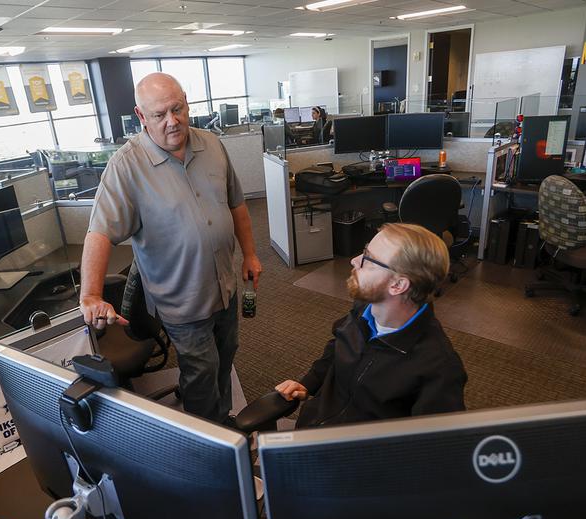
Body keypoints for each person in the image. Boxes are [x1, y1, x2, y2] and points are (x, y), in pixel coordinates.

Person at [80, 72, 262, 425]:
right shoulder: (126, 167)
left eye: (177, 109)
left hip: (225, 285)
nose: (172, 121)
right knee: (201, 369)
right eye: (160, 114)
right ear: (141, 116)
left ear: (186, 102)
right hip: (181, 298)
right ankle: (207, 438)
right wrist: (90, 293)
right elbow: (99, 232)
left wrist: (251, 254)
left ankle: (221, 417)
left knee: (226, 354)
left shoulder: (211, 144)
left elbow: (237, 205)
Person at [275, 223, 467, 428]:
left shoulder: (439, 368)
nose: (355, 261)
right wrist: (309, 382)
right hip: (316, 428)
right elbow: (338, 347)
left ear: (398, 285)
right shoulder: (365, 310)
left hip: (361, 455)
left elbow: (431, 449)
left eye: (368, 258)